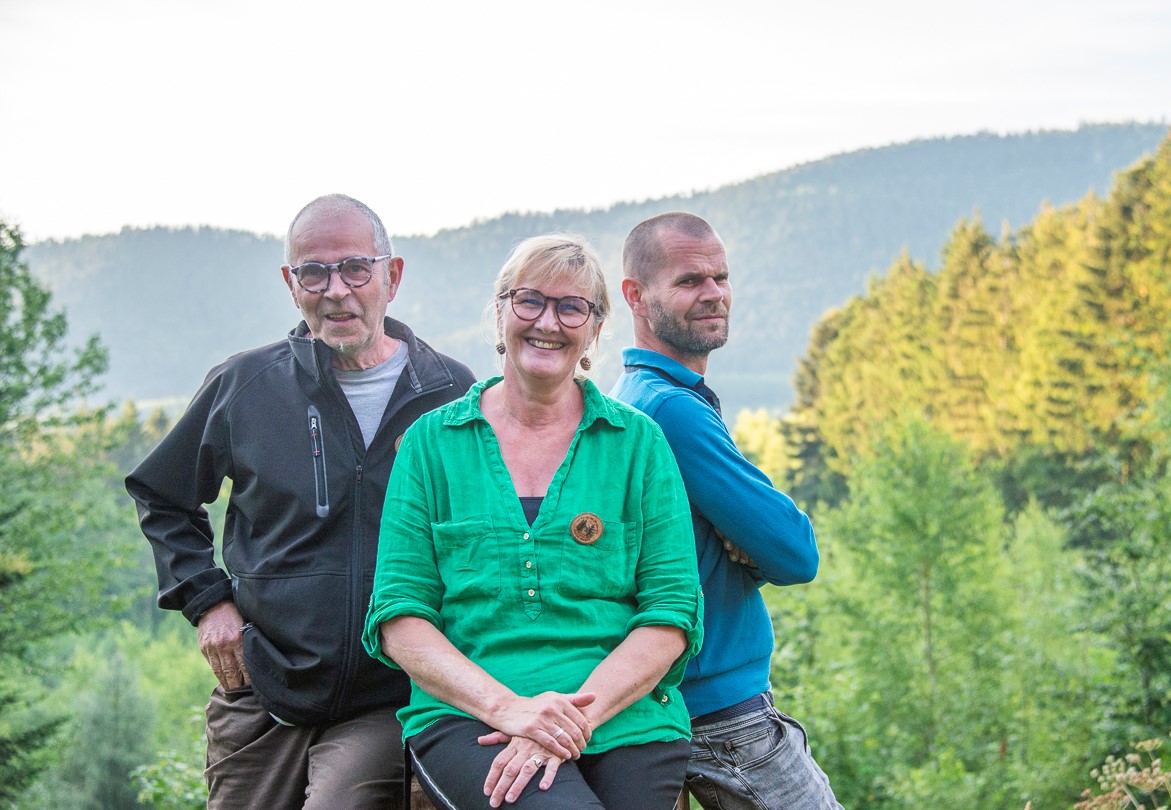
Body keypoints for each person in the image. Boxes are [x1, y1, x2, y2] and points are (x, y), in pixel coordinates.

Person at [125, 193, 476, 810]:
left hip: (388, 692)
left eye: (355, 268)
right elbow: (162, 493)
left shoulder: (451, 394)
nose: (336, 289)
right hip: (260, 686)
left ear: (391, 276)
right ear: (292, 284)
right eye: (313, 272)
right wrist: (208, 603)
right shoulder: (246, 385)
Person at [362, 234, 703, 810]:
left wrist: (563, 721)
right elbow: (400, 618)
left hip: (623, 716)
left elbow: (670, 615)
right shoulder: (431, 445)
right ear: (499, 313)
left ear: (595, 329)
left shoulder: (638, 444)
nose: (549, 321)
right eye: (529, 301)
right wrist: (511, 710)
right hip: (473, 715)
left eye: (572, 307)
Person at [611, 212, 844, 810]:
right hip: (722, 713)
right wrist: (749, 548)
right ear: (635, 296)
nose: (714, 293)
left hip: (680, 699)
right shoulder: (672, 414)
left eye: (721, 276)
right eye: (690, 280)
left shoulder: (636, 397)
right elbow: (796, 551)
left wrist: (744, 545)